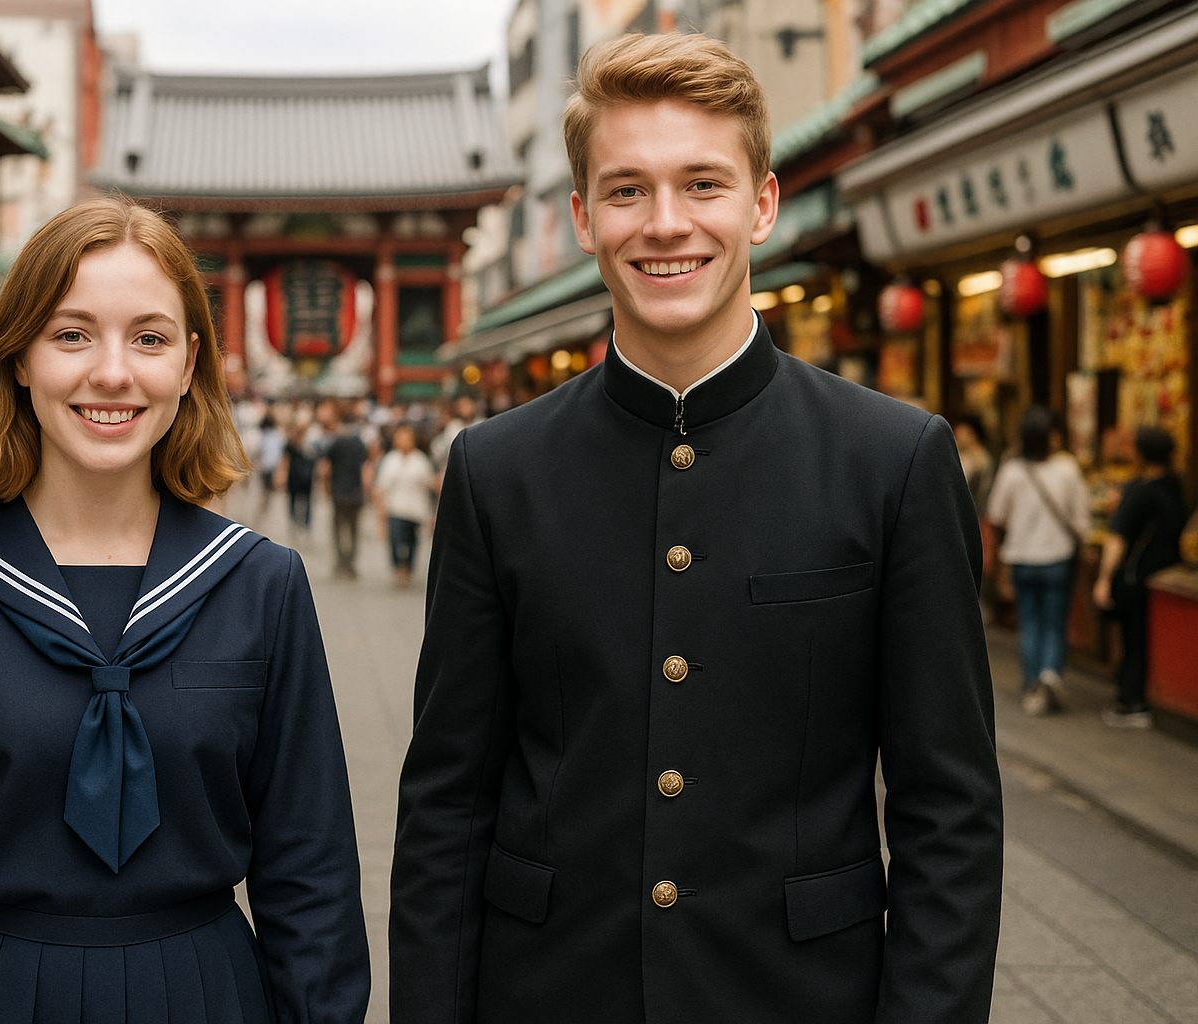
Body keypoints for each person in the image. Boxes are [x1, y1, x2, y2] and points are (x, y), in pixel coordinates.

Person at [390, 33, 1002, 1024]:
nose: (666, 224)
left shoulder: (890, 460)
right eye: (627, 191)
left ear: (762, 203)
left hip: (801, 997)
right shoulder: (496, 470)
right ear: (584, 219)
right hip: (551, 994)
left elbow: (950, 813)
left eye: (703, 185)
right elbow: (448, 803)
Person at [0, 197, 370, 1023]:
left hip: (205, 994)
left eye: (149, 337)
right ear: (20, 357)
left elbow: (310, 870)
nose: (112, 372)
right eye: (71, 334)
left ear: (188, 363)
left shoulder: (260, 584)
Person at [986, 406, 1091, 715]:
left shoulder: (1011, 471)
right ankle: (1049, 674)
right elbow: (1082, 521)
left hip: (1021, 558)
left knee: (1029, 621)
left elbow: (996, 516)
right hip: (1057, 558)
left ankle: (1032, 685)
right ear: (1050, 437)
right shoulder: (1068, 470)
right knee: (1054, 623)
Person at [1093, 425, 1188, 728]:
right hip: (1164, 577)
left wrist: (1104, 578)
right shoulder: (1177, 488)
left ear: (1140, 454)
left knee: (1132, 642)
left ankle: (1131, 702)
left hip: (1134, 578)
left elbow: (1117, 539)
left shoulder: (1138, 491)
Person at [373, 423, 436, 586]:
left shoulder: (420, 460)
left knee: (411, 541)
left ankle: (407, 567)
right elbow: (380, 487)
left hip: (416, 509)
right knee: (396, 539)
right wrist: (380, 512)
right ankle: (398, 567)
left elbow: (430, 484)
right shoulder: (390, 460)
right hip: (395, 507)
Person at [317, 401, 371, 579]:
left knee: (338, 529)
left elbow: (325, 468)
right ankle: (351, 563)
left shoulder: (336, 441)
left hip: (338, 492)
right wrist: (365, 489)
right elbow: (366, 469)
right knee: (354, 530)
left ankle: (341, 563)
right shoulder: (359, 441)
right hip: (356, 493)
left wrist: (326, 487)